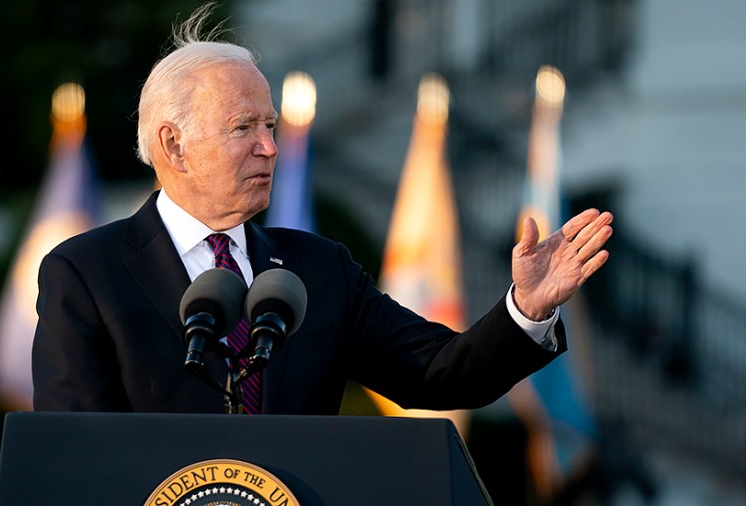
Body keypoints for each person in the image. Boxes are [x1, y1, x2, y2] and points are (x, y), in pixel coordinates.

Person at [31, 3, 613, 414]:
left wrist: (527, 310)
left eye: (269, 125)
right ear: (172, 145)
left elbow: (440, 371)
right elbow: (75, 450)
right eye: (243, 128)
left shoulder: (318, 270)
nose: (269, 146)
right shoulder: (86, 273)